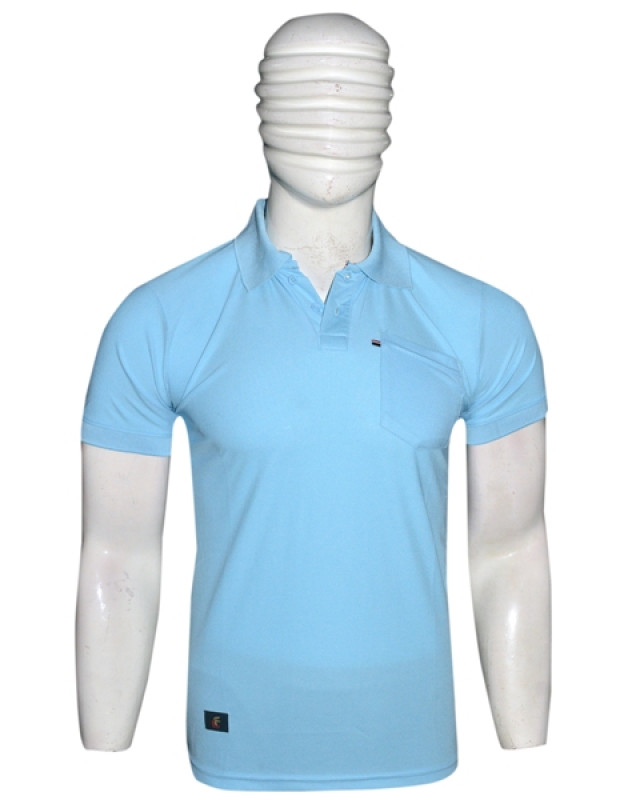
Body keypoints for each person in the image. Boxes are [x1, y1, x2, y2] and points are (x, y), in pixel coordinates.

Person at [77, 13, 550, 791]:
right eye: (307, 88)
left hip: (412, 741)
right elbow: (119, 555)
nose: (331, 108)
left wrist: (531, 762)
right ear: (263, 104)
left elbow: (512, 548)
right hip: (239, 735)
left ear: (388, 108)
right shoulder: (159, 319)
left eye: (355, 89)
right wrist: (101, 767)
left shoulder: (484, 323)